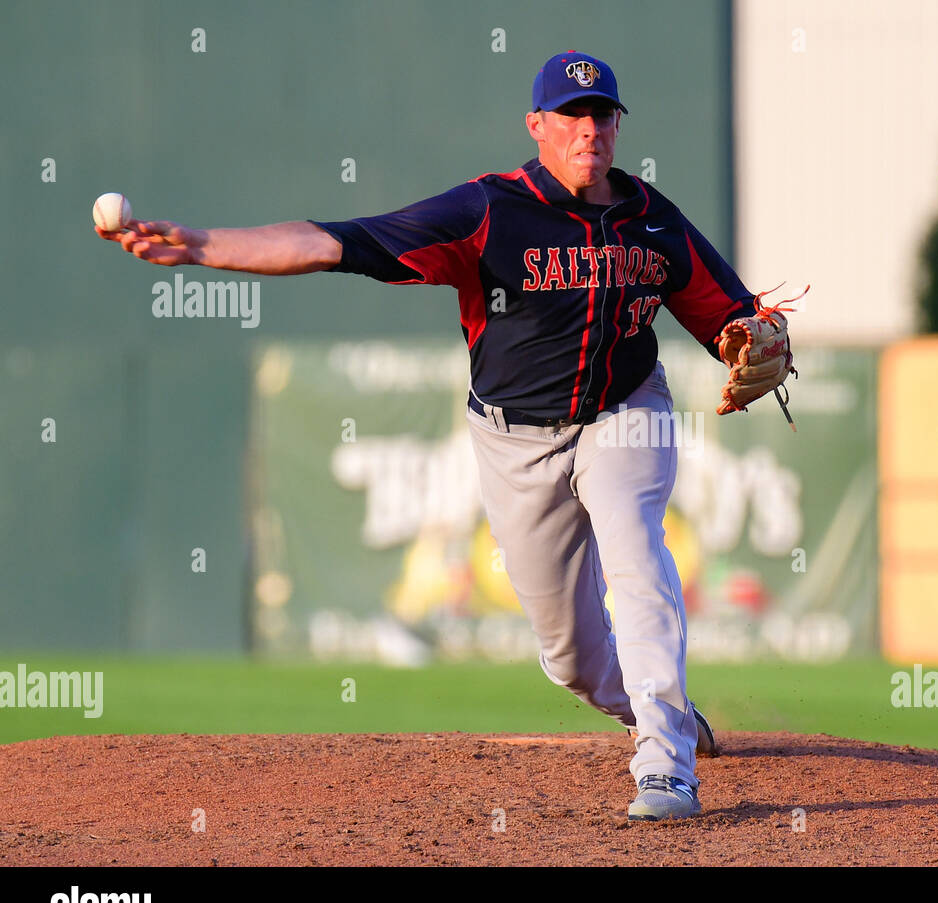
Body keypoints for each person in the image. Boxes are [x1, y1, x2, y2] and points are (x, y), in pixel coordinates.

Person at [95, 50, 775, 822]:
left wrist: (754, 337)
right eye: (571, 116)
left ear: (619, 125)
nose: (588, 130)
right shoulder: (489, 212)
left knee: (638, 556)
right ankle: (662, 712)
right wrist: (201, 246)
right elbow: (336, 242)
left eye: (601, 115)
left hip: (626, 413)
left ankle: (665, 763)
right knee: (573, 659)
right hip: (516, 442)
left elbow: (733, 318)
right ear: (538, 125)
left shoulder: (655, 221)